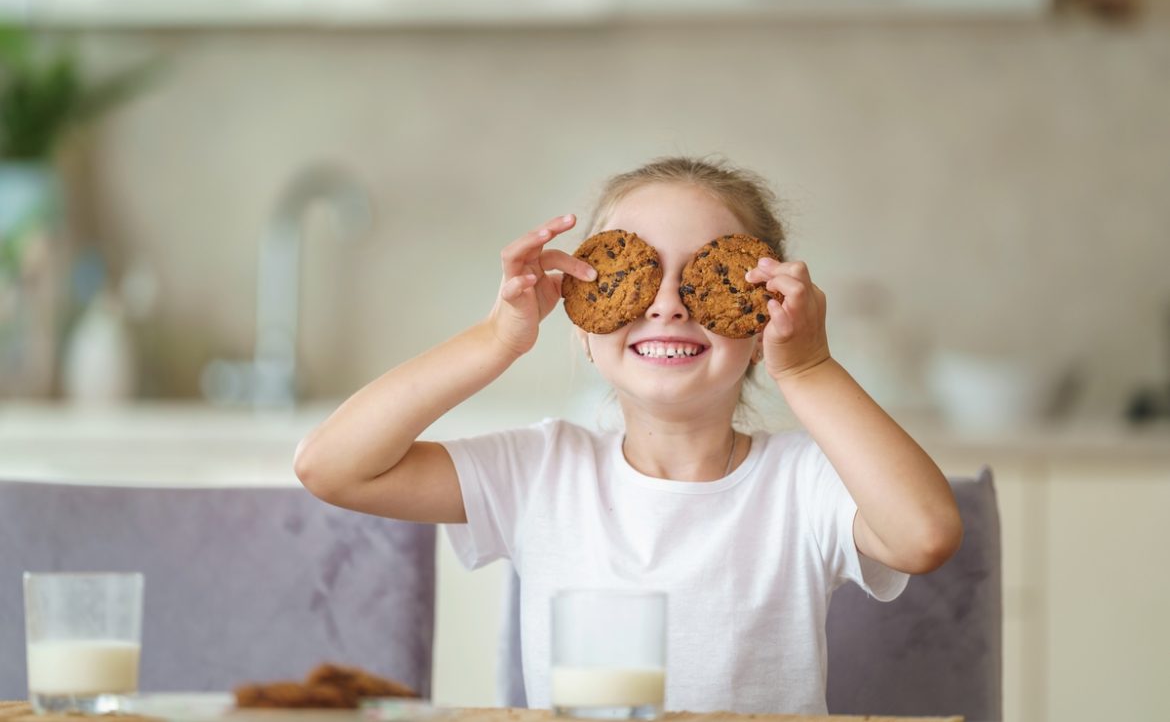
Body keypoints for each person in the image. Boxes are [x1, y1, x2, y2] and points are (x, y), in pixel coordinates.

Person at [294, 156, 963, 715]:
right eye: (634, 278)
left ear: (761, 321)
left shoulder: (802, 483)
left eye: (703, 275)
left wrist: (812, 370)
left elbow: (924, 535)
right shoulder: (539, 470)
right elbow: (333, 467)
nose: (667, 303)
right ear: (585, 322)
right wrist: (495, 340)